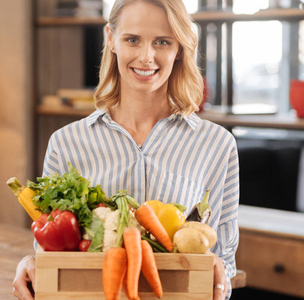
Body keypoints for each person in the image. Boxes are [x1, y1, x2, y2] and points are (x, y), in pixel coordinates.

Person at [13, 0, 239, 299]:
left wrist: (221, 282)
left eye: (162, 42)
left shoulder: (216, 144)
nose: (147, 57)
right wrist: (32, 263)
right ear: (111, 39)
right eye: (133, 39)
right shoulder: (66, 143)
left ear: (180, 48)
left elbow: (222, 260)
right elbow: (51, 249)